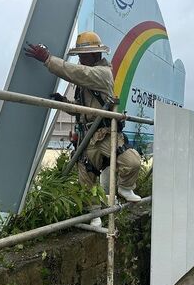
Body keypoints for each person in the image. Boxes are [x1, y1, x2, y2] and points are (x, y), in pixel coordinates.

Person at [24, 31, 142, 207]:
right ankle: (94, 214)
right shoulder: (87, 82)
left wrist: (48, 59)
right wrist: (64, 102)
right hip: (88, 135)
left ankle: (125, 187)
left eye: (82, 56)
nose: (79, 60)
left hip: (105, 132)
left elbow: (77, 72)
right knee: (86, 176)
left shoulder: (102, 74)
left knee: (131, 161)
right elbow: (81, 111)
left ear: (94, 55)